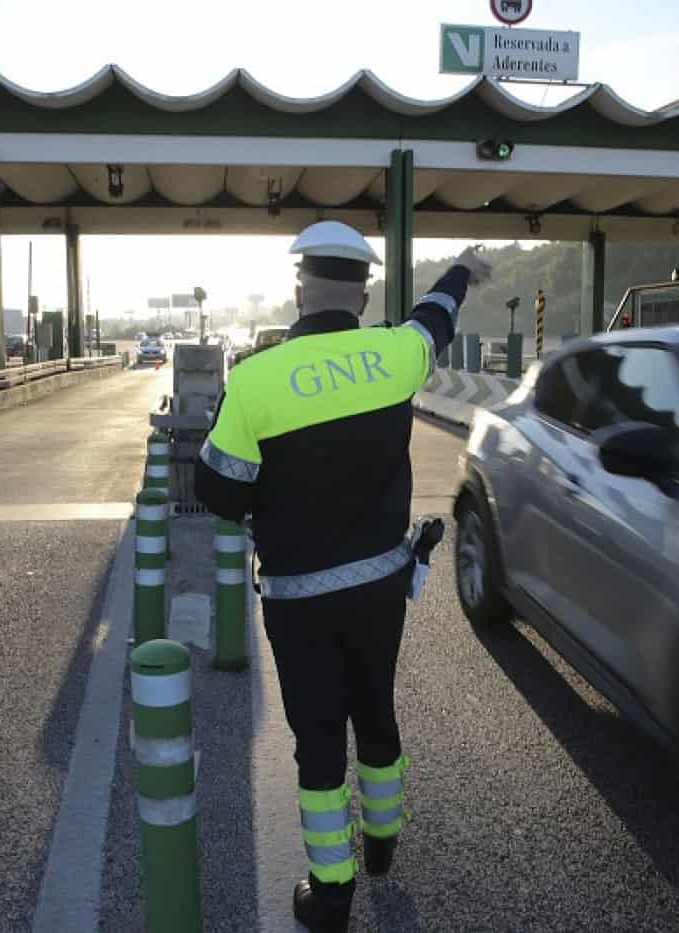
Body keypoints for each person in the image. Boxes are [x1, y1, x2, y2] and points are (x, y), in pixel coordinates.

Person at [195, 221, 490, 931]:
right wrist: (462, 270)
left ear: (299, 290)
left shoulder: (258, 376)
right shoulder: (394, 354)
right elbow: (435, 318)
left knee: (319, 737)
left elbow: (219, 492)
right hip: (381, 587)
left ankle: (332, 894)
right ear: (362, 295)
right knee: (376, 710)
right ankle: (383, 844)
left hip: (298, 599)